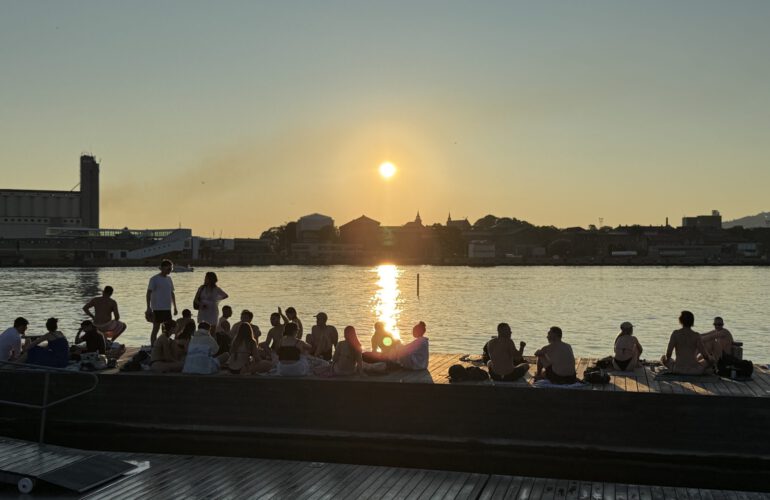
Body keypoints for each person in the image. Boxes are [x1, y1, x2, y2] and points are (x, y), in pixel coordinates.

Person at [363, 321, 429, 371]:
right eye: (378, 328)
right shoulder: (375, 337)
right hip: (389, 355)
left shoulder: (388, 335)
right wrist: (377, 355)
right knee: (365, 355)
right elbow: (374, 350)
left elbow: (400, 348)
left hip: (393, 356)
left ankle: (392, 364)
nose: (380, 330)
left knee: (387, 360)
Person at [146, 259, 178, 346]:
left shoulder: (169, 279)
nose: (170, 270)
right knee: (155, 329)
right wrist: (148, 307)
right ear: (163, 268)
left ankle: (163, 345)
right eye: (168, 268)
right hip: (157, 308)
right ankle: (153, 347)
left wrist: (175, 307)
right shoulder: (154, 279)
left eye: (171, 269)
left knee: (168, 329)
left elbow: (172, 293)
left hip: (167, 308)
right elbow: (148, 293)